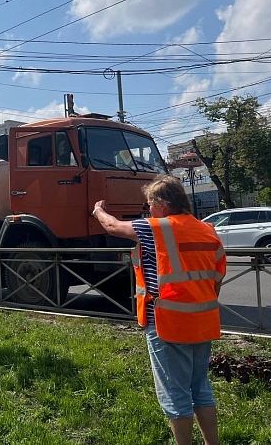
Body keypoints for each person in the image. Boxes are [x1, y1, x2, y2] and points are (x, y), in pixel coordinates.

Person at [92, 174, 225, 445]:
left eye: (150, 204)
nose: (149, 210)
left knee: (175, 395)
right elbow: (217, 278)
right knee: (201, 389)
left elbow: (114, 227)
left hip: (168, 324)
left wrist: (98, 211)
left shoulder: (158, 227)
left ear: (162, 204)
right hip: (203, 322)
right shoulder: (207, 230)